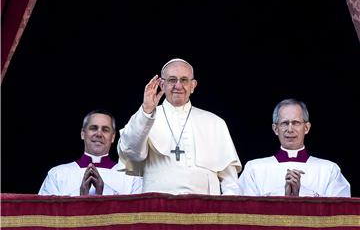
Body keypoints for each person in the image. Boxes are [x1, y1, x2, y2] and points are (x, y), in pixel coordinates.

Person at [117, 58, 242, 195]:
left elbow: (231, 183)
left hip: (205, 211)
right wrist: (146, 110)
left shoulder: (215, 123)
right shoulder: (144, 117)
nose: (178, 85)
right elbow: (132, 153)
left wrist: (228, 213)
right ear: (162, 85)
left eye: (184, 80)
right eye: (172, 80)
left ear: (193, 85)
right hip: (158, 209)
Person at [238, 98, 351, 197]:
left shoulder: (329, 170)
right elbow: (244, 211)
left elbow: (340, 213)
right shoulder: (254, 169)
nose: (290, 129)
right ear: (275, 129)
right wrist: (284, 195)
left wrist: (300, 193)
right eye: (285, 123)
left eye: (296, 123)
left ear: (306, 128)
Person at [39, 109, 142, 196]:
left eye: (105, 130)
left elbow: (138, 216)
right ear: (83, 134)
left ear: (113, 137)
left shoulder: (131, 177)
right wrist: (81, 197)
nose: (99, 134)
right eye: (93, 128)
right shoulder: (57, 174)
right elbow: (44, 215)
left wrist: (103, 192)